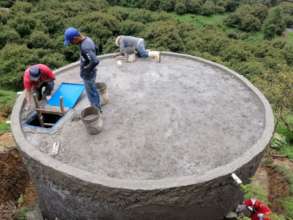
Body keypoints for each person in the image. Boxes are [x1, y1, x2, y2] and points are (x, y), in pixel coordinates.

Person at [64, 27, 102, 112]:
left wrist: (85, 70)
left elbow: (95, 61)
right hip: (90, 72)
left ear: (75, 38)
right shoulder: (87, 39)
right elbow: (96, 49)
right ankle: (96, 106)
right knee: (92, 90)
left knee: (91, 92)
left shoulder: (85, 47)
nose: (71, 43)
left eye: (71, 41)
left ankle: (96, 110)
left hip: (89, 75)